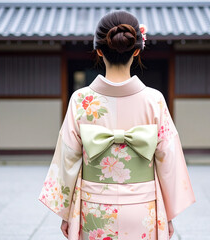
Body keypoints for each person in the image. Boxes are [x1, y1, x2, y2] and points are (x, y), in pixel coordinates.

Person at [38, 10, 196, 240]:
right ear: (136, 50)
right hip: (143, 209)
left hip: (95, 209)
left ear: (99, 50)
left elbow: (68, 158)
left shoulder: (81, 100)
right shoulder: (155, 100)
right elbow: (168, 160)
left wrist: (66, 213)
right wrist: (168, 214)